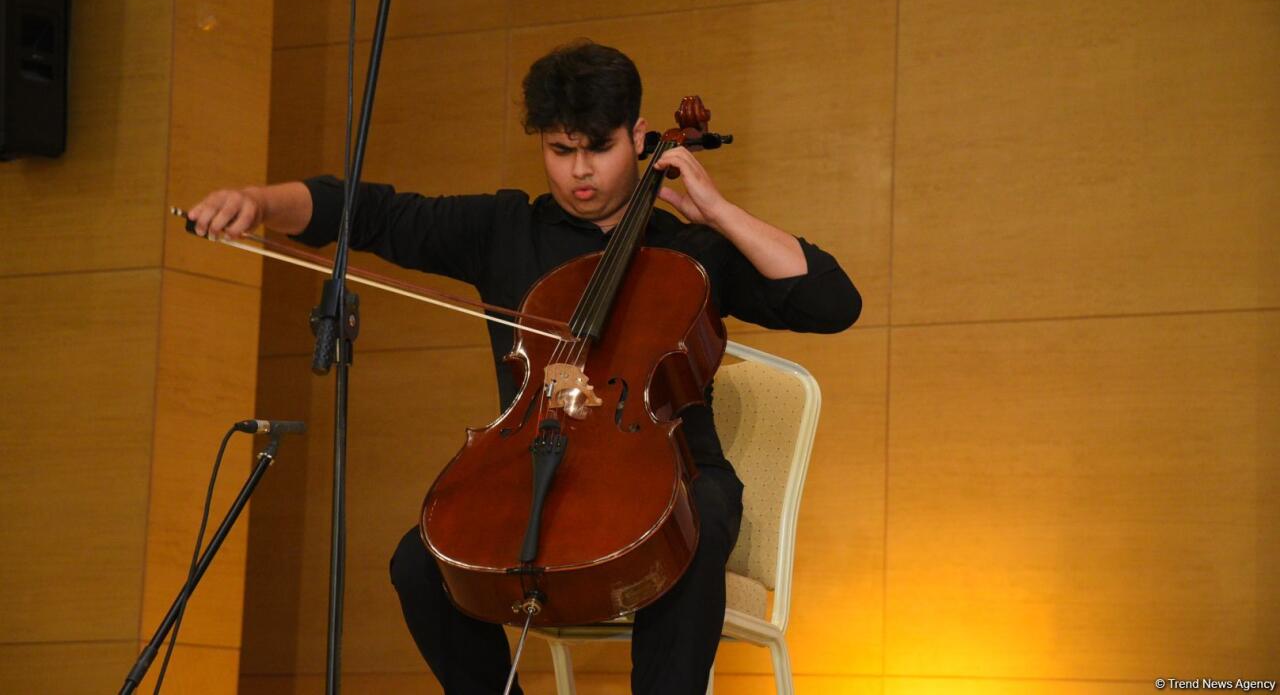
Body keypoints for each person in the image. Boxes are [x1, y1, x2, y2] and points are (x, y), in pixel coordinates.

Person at [188, 40, 861, 694]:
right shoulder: (505, 229)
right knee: (419, 565)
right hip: (534, 465)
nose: (579, 171)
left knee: (689, 531)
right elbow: (370, 212)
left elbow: (833, 301)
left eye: (598, 147)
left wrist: (716, 210)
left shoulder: (687, 251)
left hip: (676, 469)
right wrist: (263, 202)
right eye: (560, 150)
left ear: (640, 135)